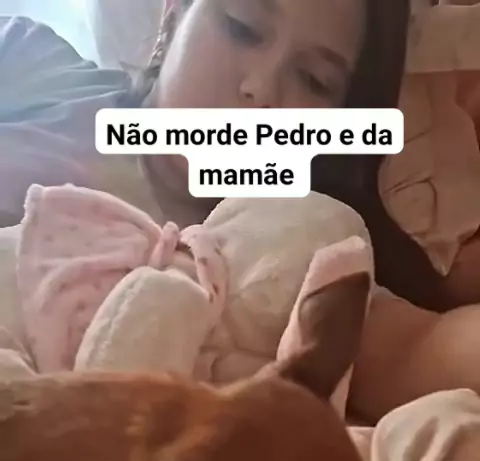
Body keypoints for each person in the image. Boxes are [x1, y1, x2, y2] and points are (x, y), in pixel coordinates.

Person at [1, 0, 480, 427]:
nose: (261, 90)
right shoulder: (30, 61)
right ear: (174, 13)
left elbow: (421, 349)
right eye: (242, 27)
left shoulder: (290, 251)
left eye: (314, 80)